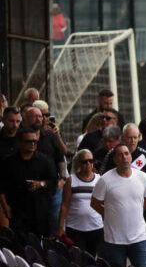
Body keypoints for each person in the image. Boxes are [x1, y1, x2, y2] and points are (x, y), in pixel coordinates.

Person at [90, 143, 146, 267]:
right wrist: (107, 214)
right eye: (120, 155)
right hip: (114, 240)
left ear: (131, 156)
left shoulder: (143, 177)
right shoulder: (105, 180)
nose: (124, 157)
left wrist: (136, 212)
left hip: (139, 238)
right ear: (114, 159)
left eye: (127, 154)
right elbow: (95, 203)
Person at [0, 128, 57, 237]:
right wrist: (5, 206)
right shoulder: (9, 162)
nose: (32, 144)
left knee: (38, 246)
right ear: (20, 142)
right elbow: (2, 185)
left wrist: (40, 184)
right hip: (17, 210)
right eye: (28, 141)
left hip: (39, 210)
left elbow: (53, 181)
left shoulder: (45, 161)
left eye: (34, 141)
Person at [25, 106, 66, 235]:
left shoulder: (50, 136)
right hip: (31, 189)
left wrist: (63, 178)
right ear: (26, 119)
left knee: (54, 221)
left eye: (40, 116)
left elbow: (61, 158)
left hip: (53, 187)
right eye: (35, 116)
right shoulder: (21, 137)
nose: (39, 119)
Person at [56, 150, 103, 254]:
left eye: (91, 161)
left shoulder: (99, 180)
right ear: (78, 163)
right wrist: (60, 227)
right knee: (77, 258)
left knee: (93, 258)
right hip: (75, 228)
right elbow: (64, 205)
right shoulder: (71, 180)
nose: (88, 164)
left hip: (96, 227)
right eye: (84, 161)